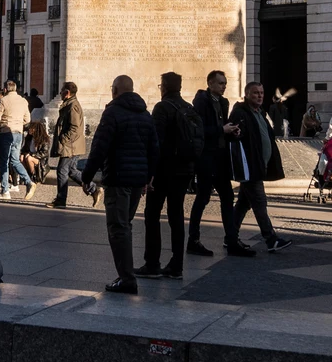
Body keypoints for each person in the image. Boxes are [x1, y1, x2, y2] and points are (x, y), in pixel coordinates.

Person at [82, 74, 158, 294]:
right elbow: (154, 149)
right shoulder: (145, 114)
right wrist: (148, 177)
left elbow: (99, 148)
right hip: (137, 181)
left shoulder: (112, 112)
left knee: (118, 228)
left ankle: (126, 278)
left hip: (118, 178)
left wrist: (87, 176)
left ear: (114, 90)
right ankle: (126, 275)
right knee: (125, 224)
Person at [139, 72, 196, 280]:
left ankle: (152, 263)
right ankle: (177, 265)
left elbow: (156, 143)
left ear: (163, 87)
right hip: (184, 170)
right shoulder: (188, 107)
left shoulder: (162, 107)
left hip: (165, 171)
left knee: (152, 214)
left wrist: (149, 174)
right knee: (176, 216)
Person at [226, 80, 291, 256]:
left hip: (259, 166)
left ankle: (230, 236)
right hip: (250, 167)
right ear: (247, 94)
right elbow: (236, 135)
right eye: (255, 93)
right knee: (260, 202)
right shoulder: (241, 112)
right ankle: (271, 239)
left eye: (261, 93)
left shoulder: (259, 112)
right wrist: (237, 133)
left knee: (243, 203)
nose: (260, 96)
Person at [188, 70, 235, 256]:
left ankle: (231, 239)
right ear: (210, 83)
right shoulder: (201, 102)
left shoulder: (223, 102)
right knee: (203, 197)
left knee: (228, 196)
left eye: (225, 83)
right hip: (207, 157)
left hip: (221, 157)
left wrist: (231, 131)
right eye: (221, 83)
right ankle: (193, 239)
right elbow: (199, 130)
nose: (224, 86)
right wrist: (221, 129)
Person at [47, 81, 86, 209]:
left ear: (67, 93)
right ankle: (93, 189)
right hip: (73, 144)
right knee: (72, 171)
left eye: (62, 90)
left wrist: (64, 139)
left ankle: (61, 200)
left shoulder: (72, 106)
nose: (60, 93)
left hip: (70, 145)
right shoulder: (70, 104)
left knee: (61, 170)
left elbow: (74, 127)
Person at [0, 80, 35, 199]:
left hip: (6, 132)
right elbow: (27, 119)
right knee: (15, 160)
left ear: (5, 89)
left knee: (3, 161)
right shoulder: (23, 101)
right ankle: (28, 182)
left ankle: (5, 191)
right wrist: (18, 124)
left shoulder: (3, 100)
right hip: (18, 133)